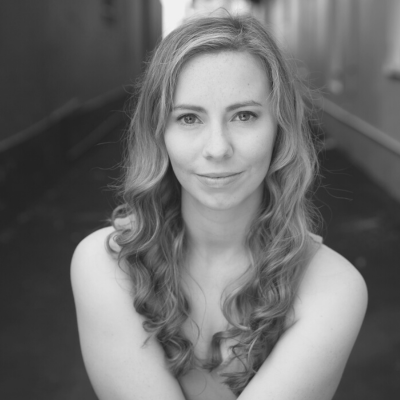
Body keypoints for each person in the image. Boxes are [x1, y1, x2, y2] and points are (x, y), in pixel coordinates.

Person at [71, 14, 368, 400]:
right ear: (159, 133)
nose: (217, 148)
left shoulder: (333, 286)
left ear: (280, 128)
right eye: (189, 118)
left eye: (244, 115)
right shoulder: (106, 264)